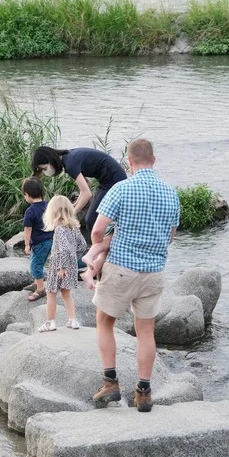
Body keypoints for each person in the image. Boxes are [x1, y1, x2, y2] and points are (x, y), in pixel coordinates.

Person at [87, 139, 180, 412]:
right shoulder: (170, 193)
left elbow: (97, 229)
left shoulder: (122, 188)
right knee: (146, 331)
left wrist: (102, 244)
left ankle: (110, 382)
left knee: (104, 322)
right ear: (154, 159)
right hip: (153, 273)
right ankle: (144, 391)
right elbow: (171, 237)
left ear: (129, 161)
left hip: (121, 269)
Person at [32, 146, 127, 232]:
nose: (45, 172)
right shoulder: (68, 157)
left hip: (114, 180)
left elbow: (87, 194)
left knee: (91, 219)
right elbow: (87, 184)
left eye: (44, 169)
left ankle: (99, 247)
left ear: (50, 160)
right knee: (92, 216)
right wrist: (76, 204)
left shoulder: (70, 165)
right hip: (108, 180)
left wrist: (71, 214)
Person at [38, 195, 87, 333]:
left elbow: (64, 248)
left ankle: (50, 322)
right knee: (67, 293)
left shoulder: (59, 229)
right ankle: (73, 320)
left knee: (51, 293)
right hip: (70, 264)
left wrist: (62, 266)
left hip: (58, 265)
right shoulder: (74, 228)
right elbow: (83, 245)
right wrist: (73, 259)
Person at [21, 177, 53, 302]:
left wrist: (26, 244)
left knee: (36, 266)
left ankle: (40, 289)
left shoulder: (30, 211)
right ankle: (36, 283)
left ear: (27, 195)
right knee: (38, 262)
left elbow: (28, 229)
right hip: (48, 241)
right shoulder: (48, 206)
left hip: (39, 243)